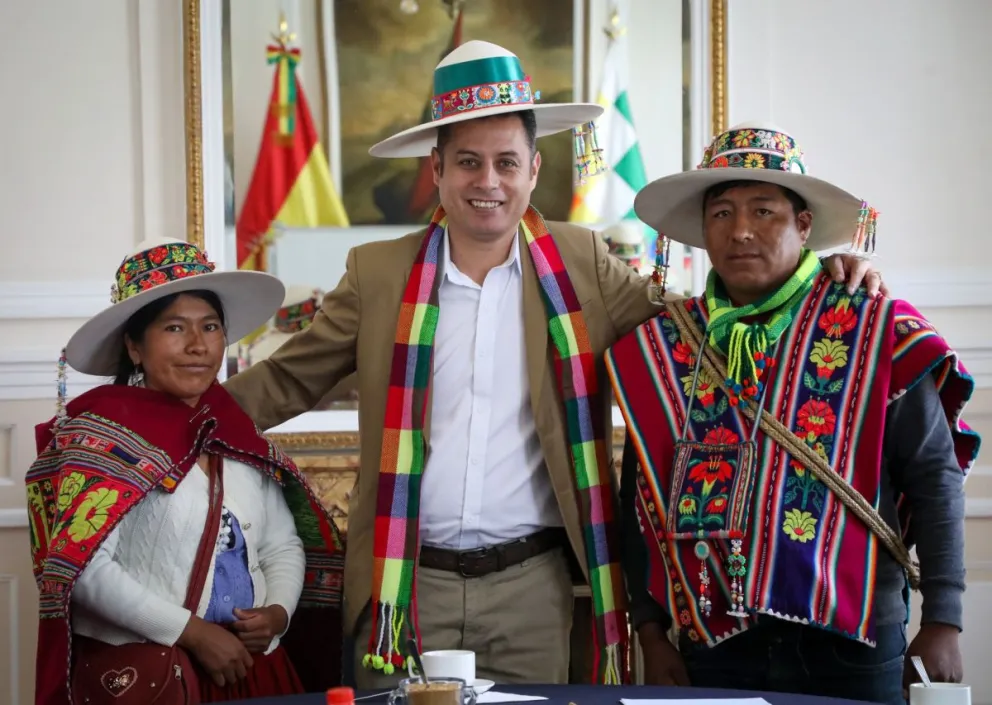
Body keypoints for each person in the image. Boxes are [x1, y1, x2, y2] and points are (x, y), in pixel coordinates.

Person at [222, 42, 883, 687]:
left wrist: (811, 277)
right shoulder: (378, 272)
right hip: (403, 586)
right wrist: (177, 419)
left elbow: (699, 326)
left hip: (531, 591)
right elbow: (285, 379)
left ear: (534, 170)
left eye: (507, 162)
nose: (489, 182)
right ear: (438, 168)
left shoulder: (581, 263)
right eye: (469, 162)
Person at [606, 122, 981, 704]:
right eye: (723, 213)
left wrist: (945, 619)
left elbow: (934, 476)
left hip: (851, 641)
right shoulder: (664, 348)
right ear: (704, 230)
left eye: (765, 212)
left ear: (804, 226)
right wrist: (652, 632)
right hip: (713, 644)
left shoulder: (873, 327)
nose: (742, 232)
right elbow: (642, 503)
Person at [25, 237, 345, 705]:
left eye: (210, 327)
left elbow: (281, 543)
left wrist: (276, 613)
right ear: (134, 347)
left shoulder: (235, 435)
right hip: (160, 675)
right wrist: (192, 632)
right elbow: (84, 569)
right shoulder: (101, 440)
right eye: (175, 328)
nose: (198, 346)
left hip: (254, 670)